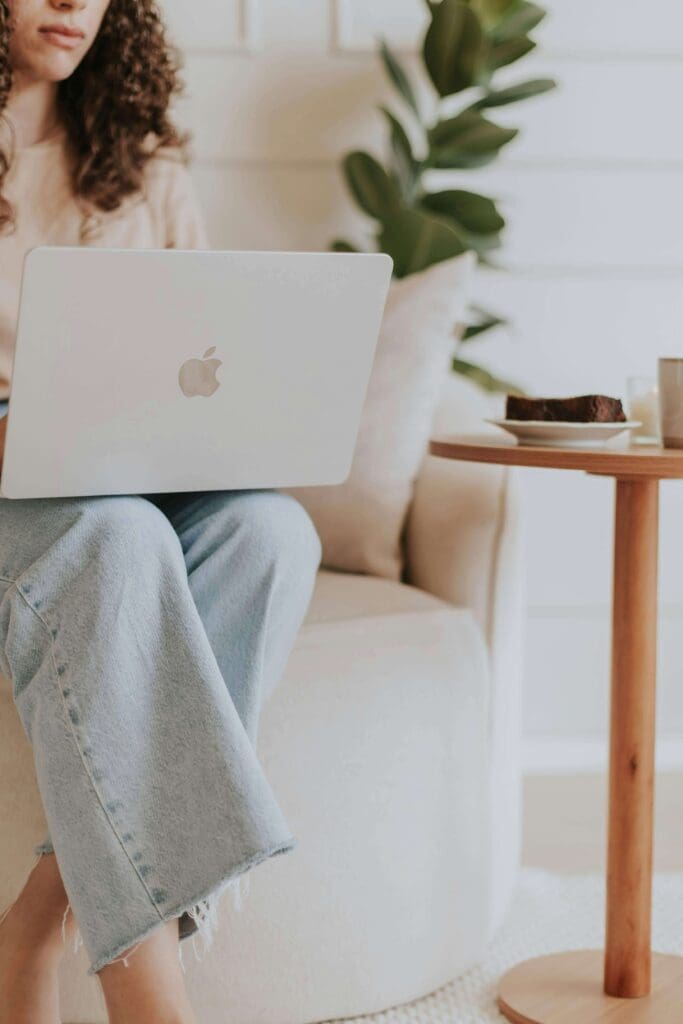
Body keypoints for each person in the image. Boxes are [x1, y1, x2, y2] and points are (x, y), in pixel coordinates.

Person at [0, 1, 322, 1021]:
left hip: (126, 476)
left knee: (270, 530)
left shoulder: (145, 163)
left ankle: (35, 921)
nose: (70, 3)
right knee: (120, 534)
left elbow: (205, 357)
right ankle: (152, 1002)